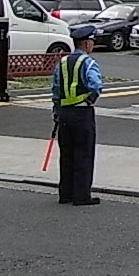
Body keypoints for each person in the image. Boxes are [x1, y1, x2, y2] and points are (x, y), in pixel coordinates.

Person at [52, 24, 103, 206]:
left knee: (66, 154)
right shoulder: (88, 62)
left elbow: (56, 89)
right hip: (82, 112)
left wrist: (57, 111)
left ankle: (65, 193)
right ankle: (81, 196)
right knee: (83, 153)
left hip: (64, 113)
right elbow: (95, 85)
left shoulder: (62, 62)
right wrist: (90, 100)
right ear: (87, 44)